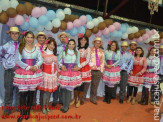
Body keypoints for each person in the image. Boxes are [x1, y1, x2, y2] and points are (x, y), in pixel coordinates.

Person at [13, 31, 43, 122]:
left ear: (33, 38)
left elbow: (40, 59)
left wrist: (36, 66)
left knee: (31, 93)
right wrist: (29, 67)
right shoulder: (20, 47)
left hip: (34, 73)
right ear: (25, 38)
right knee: (22, 94)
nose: (30, 39)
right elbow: (17, 60)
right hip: (23, 72)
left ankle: (28, 111)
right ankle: (22, 113)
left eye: (31, 37)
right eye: (28, 37)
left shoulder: (36, 48)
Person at [0, 26, 20, 116]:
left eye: (16, 33)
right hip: (9, 72)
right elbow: (1, 58)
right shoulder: (5, 46)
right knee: (8, 90)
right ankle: (7, 108)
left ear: (18, 35)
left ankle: (19, 107)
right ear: (10, 35)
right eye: (13, 33)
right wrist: (7, 66)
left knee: (20, 90)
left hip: (20, 72)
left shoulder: (22, 46)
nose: (15, 35)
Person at [58, 39, 82, 113]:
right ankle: (64, 105)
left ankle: (66, 106)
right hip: (65, 72)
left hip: (73, 73)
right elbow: (58, 61)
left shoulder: (77, 52)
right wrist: (61, 65)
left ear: (75, 45)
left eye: (73, 44)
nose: (71, 45)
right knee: (64, 90)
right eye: (70, 44)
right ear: (67, 44)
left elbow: (78, 62)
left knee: (68, 90)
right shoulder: (64, 51)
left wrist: (78, 67)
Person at [37, 37, 59, 114]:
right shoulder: (42, 53)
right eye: (50, 44)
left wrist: (57, 73)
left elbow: (56, 65)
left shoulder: (54, 54)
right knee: (45, 92)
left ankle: (46, 106)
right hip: (45, 75)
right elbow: (39, 64)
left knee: (49, 92)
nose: (52, 46)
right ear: (47, 44)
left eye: (53, 45)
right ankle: (43, 107)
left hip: (53, 75)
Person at [70, 33, 91, 107]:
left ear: (86, 41)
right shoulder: (76, 48)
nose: (83, 41)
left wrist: (80, 66)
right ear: (79, 40)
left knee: (81, 85)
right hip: (76, 67)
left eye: (84, 40)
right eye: (81, 40)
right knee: (75, 85)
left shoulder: (88, 49)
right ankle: (74, 99)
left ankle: (79, 100)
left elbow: (88, 60)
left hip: (83, 68)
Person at [52, 32, 70, 107]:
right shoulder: (57, 47)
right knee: (57, 85)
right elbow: (55, 58)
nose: (63, 38)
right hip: (58, 68)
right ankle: (55, 100)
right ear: (59, 38)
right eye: (61, 37)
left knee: (64, 84)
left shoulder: (70, 47)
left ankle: (62, 100)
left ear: (67, 38)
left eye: (64, 37)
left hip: (67, 69)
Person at [34, 31, 48, 107]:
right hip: (36, 68)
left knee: (43, 86)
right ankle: (33, 103)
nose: (41, 39)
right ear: (37, 38)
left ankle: (42, 104)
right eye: (40, 37)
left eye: (43, 38)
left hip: (45, 69)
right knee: (35, 86)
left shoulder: (47, 46)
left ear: (45, 39)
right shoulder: (34, 46)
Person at [89, 37, 104, 105]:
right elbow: (88, 59)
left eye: (99, 43)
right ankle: (82, 98)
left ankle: (93, 98)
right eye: (96, 43)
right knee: (86, 85)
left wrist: (101, 70)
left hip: (98, 71)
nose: (97, 44)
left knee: (95, 85)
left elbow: (102, 61)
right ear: (94, 43)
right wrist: (90, 67)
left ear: (100, 44)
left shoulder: (102, 51)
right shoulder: (90, 50)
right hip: (90, 70)